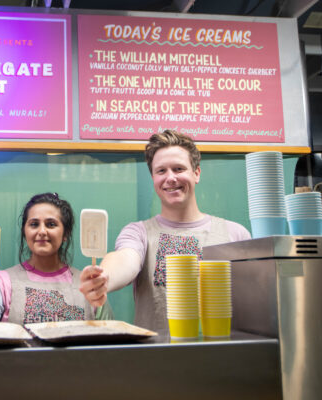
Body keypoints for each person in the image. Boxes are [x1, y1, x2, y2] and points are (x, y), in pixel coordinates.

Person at [79, 130, 251, 334]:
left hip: (222, 358)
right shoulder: (139, 233)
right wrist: (104, 277)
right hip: (156, 361)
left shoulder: (235, 234)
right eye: (161, 171)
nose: (170, 178)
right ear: (153, 177)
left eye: (178, 169)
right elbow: (125, 259)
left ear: (196, 173)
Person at [0, 192, 112, 324]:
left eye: (51, 224)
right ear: (24, 232)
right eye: (34, 224)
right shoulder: (1, 283)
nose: (41, 231)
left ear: (65, 234)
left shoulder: (91, 285)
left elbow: (109, 342)